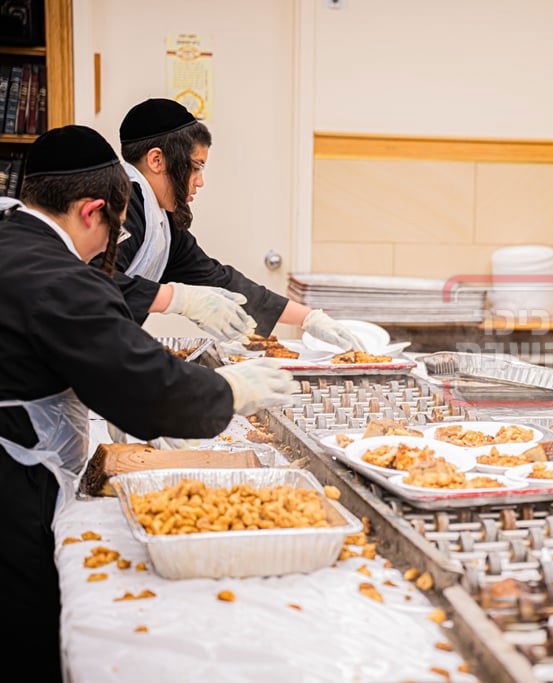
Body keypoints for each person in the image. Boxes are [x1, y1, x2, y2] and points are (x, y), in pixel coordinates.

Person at [0, 126, 296, 678]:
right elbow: (139, 385)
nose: (107, 254)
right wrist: (228, 391)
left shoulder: (14, 238)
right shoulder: (56, 274)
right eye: (112, 234)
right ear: (93, 212)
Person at [92, 98, 363, 349]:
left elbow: (219, 279)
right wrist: (179, 299)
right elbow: (94, 283)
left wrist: (309, 318)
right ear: (156, 160)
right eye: (195, 167)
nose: (199, 181)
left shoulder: (161, 221)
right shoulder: (122, 200)